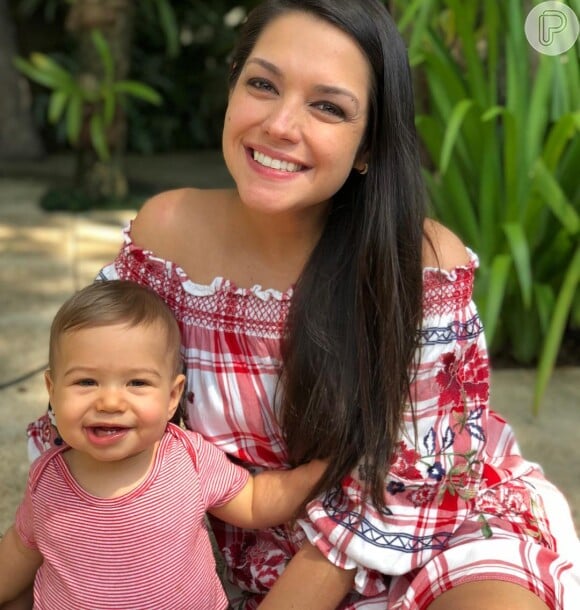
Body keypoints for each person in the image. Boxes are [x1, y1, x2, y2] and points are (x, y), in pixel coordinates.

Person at [24, 0, 580, 608]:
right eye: (263, 84)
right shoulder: (168, 234)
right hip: (241, 555)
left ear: (369, 147)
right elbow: (98, 414)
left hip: (432, 531)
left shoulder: (419, 264)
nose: (281, 125)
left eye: (328, 107)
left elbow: (396, 490)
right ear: (232, 88)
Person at [0, 280, 326, 610]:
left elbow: (254, 501)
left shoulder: (187, 459)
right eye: (86, 381)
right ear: (52, 390)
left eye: (137, 383)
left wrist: (316, 475)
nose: (110, 401)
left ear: (172, 397)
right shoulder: (47, 481)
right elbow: (21, 549)